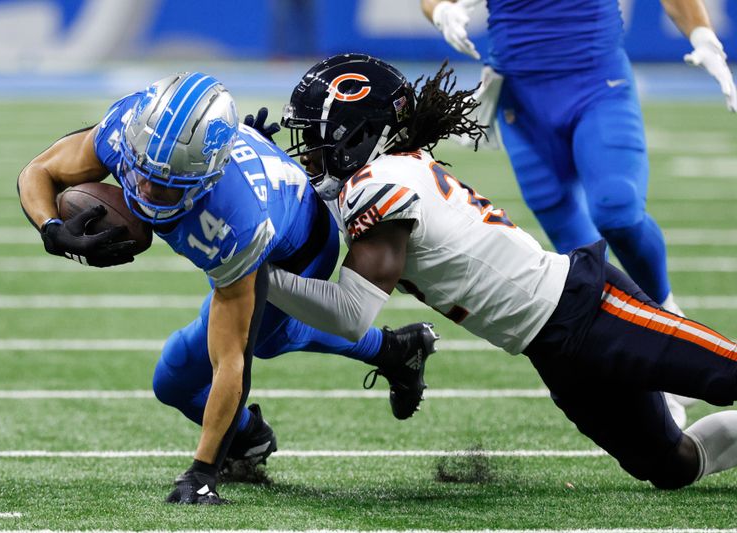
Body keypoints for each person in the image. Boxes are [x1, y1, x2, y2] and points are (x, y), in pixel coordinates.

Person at [269, 53, 737, 490]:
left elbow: (351, 315)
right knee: (670, 465)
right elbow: (324, 209)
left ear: (358, 133)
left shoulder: (379, 185)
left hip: (589, 308)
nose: (307, 151)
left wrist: (255, 273)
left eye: (316, 137)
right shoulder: (385, 175)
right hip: (550, 349)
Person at [16, 71, 438, 504]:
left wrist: (202, 472)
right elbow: (41, 170)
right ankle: (391, 353)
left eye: (166, 186)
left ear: (207, 176)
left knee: (251, 344)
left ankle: (256, 433)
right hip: (259, 199)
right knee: (175, 378)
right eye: (142, 175)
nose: (146, 191)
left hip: (296, 247)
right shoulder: (124, 132)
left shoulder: (235, 218)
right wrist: (50, 228)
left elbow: (231, 360)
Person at [421, 0, 737, 425]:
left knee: (618, 212)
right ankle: (650, 375)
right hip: (521, 99)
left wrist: (701, 34)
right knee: (585, 260)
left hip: (596, 82)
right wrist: (441, 10)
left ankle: (668, 317)